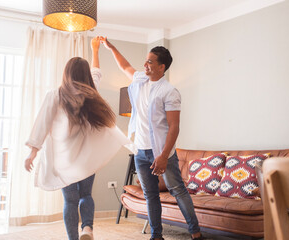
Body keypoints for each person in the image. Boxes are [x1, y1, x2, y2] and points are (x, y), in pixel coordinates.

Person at [24, 37, 134, 240]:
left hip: (64, 159)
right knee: (86, 195)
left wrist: (32, 152)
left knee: (70, 201)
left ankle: (73, 238)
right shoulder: (92, 93)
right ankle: (88, 229)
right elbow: (96, 72)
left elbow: (42, 124)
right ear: (85, 75)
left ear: (66, 73)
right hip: (86, 158)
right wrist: (95, 50)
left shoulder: (55, 94)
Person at [100, 37, 203, 240]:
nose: (145, 65)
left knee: (178, 191)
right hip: (140, 151)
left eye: (150, 62)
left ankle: (196, 233)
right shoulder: (139, 80)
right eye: (145, 61)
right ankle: (156, 236)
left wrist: (164, 156)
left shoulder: (169, 91)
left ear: (161, 67)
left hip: (162, 152)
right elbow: (124, 66)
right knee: (150, 195)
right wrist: (111, 48)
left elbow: (174, 126)